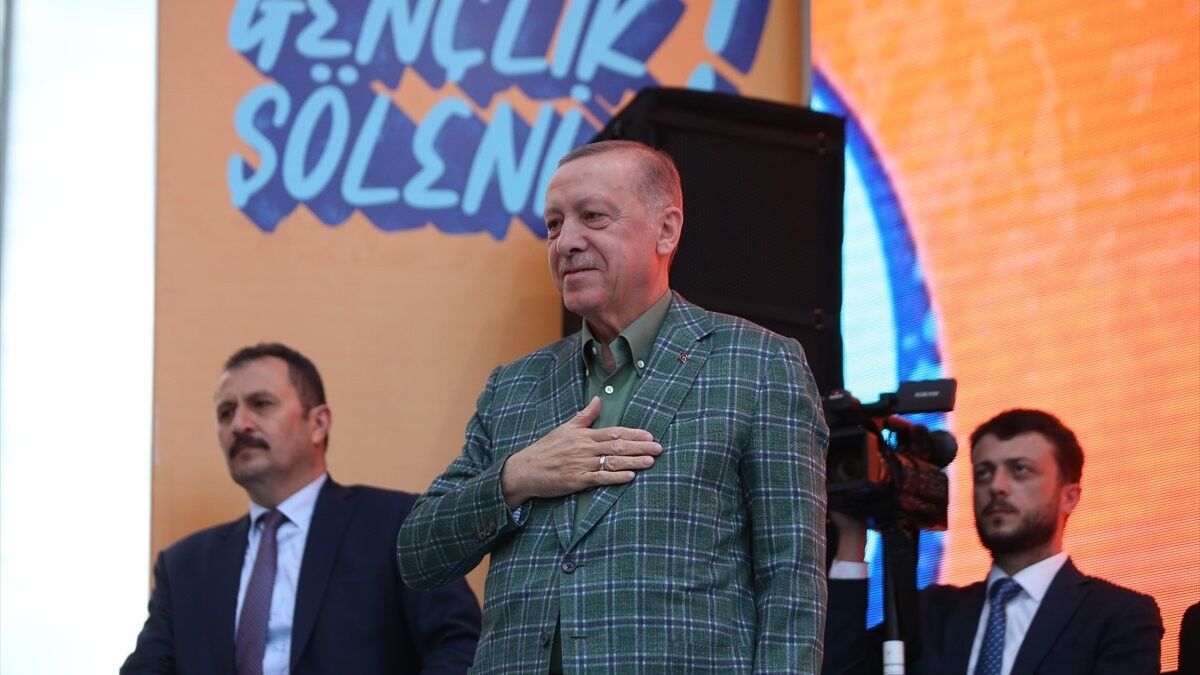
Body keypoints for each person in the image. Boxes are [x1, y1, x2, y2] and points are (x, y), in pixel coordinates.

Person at [396, 139, 829, 673]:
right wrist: (516, 477)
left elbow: (792, 581)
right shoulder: (513, 385)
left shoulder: (758, 364)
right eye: (553, 225)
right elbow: (417, 555)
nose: (566, 243)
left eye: (593, 217)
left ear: (666, 230)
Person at [122, 343, 481, 674]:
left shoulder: (398, 525)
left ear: (318, 423)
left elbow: (459, 647)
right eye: (225, 412)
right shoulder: (183, 566)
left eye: (261, 404)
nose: (239, 424)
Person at [823, 408, 1163, 675]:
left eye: (1020, 470)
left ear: (1069, 497)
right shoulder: (932, 613)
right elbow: (840, 669)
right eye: (983, 473)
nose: (996, 486)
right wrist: (852, 537)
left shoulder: (1118, 615)